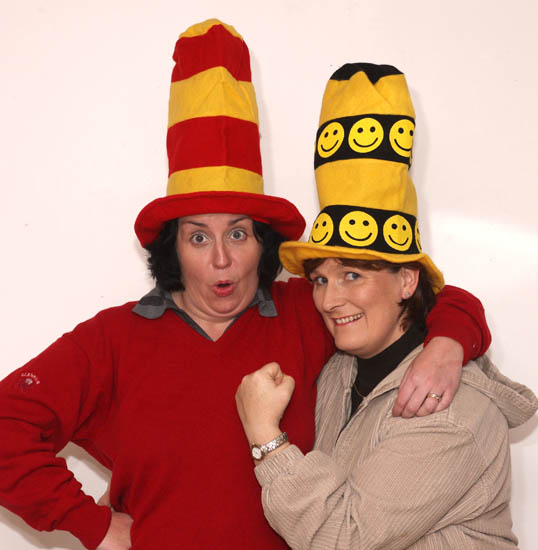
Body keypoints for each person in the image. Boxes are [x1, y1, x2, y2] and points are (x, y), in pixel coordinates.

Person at [0, 23, 490, 550]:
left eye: (237, 233)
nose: (220, 258)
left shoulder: (311, 307)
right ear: (173, 248)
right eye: (197, 237)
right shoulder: (113, 339)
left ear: (263, 243)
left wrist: (447, 343)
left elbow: (414, 299)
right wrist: (90, 524)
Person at [235, 63, 538, 549]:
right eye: (320, 279)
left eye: (353, 274)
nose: (330, 299)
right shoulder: (340, 372)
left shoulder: (448, 410)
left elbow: (342, 538)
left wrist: (265, 435)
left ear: (406, 281)